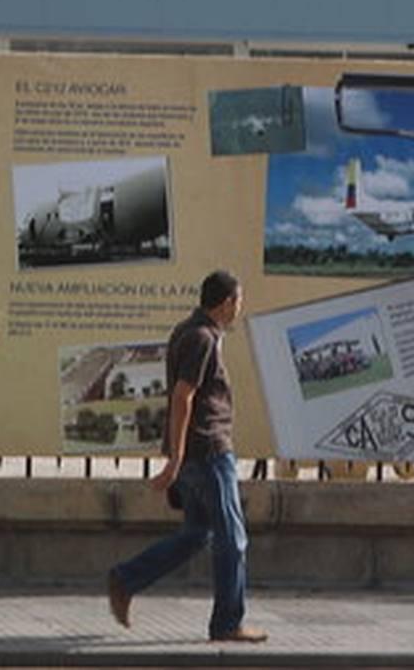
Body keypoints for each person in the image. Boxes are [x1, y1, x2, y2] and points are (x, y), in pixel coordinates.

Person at [107, 270, 267, 644]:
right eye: (238, 301)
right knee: (233, 538)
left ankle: (126, 579)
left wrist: (177, 456)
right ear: (227, 302)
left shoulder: (188, 330)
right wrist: (176, 458)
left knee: (198, 533)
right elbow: (183, 397)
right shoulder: (201, 337)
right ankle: (228, 623)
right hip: (208, 451)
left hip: (196, 452)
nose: (240, 308)